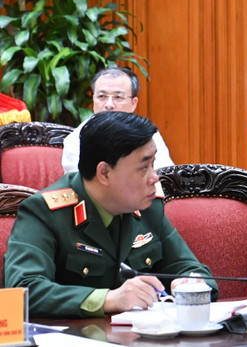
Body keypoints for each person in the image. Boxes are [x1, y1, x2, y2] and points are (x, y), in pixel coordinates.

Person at [3, 111, 217, 318]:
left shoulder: (148, 207)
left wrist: (189, 284)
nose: (155, 178)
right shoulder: (44, 212)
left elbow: (193, 270)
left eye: (153, 165)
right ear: (104, 172)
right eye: (144, 168)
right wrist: (109, 300)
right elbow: (23, 290)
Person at [62, 67, 173, 172]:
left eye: (118, 97)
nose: (109, 105)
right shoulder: (76, 140)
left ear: (133, 103)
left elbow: (165, 177)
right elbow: (81, 187)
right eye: (102, 96)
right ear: (93, 100)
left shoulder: (148, 135)